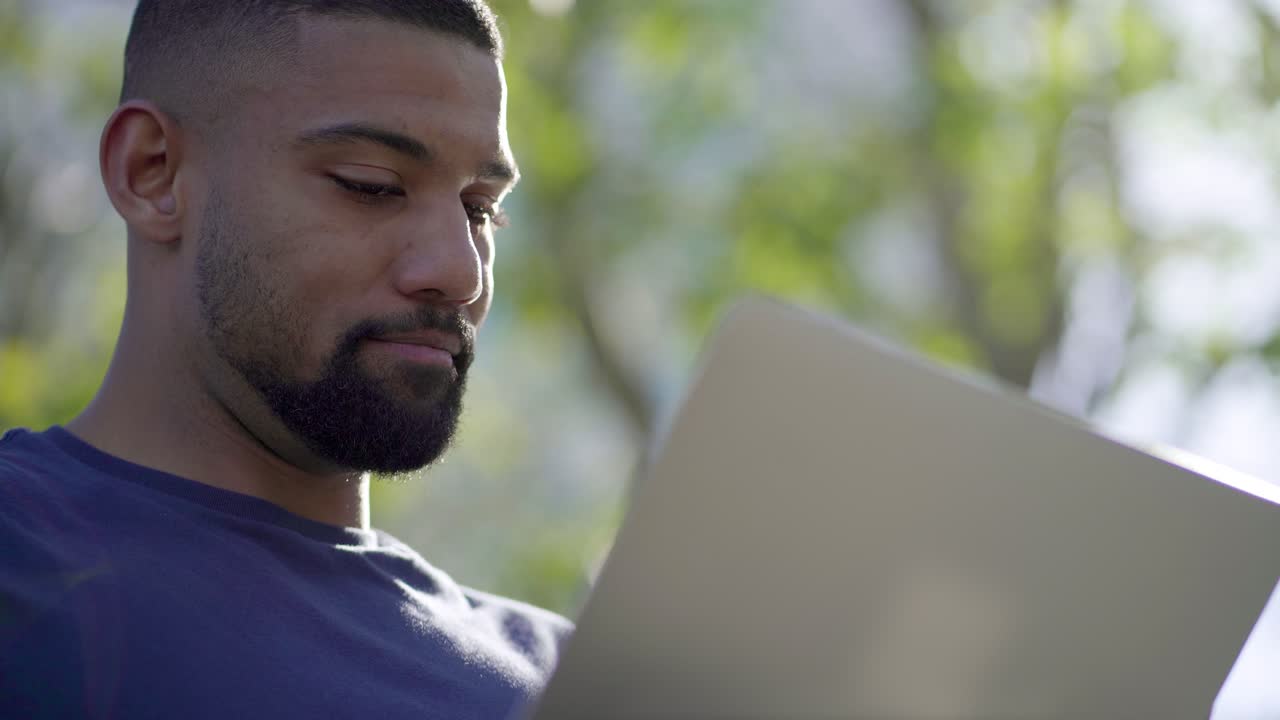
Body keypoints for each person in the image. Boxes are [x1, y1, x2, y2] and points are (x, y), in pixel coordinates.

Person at [0, 1, 572, 717]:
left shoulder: (572, 680)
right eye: (372, 185)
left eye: (480, 209)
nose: (462, 272)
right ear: (152, 173)